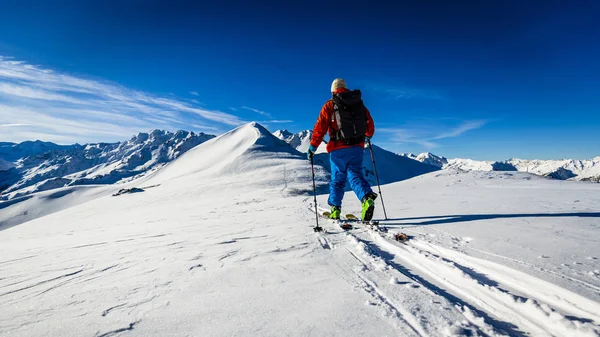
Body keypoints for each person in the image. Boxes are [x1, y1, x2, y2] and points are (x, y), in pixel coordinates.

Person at [307, 78, 378, 221]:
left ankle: (335, 210)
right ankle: (366, 198)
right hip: (357, 148)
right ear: (345, 88)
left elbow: (320, 128)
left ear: (333, 90)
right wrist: (366, 136)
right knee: (356, 175)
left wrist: (313, 147)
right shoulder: (359, 105)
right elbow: (370, 127)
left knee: (338, 180)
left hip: (337, 149)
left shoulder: (329, 105)